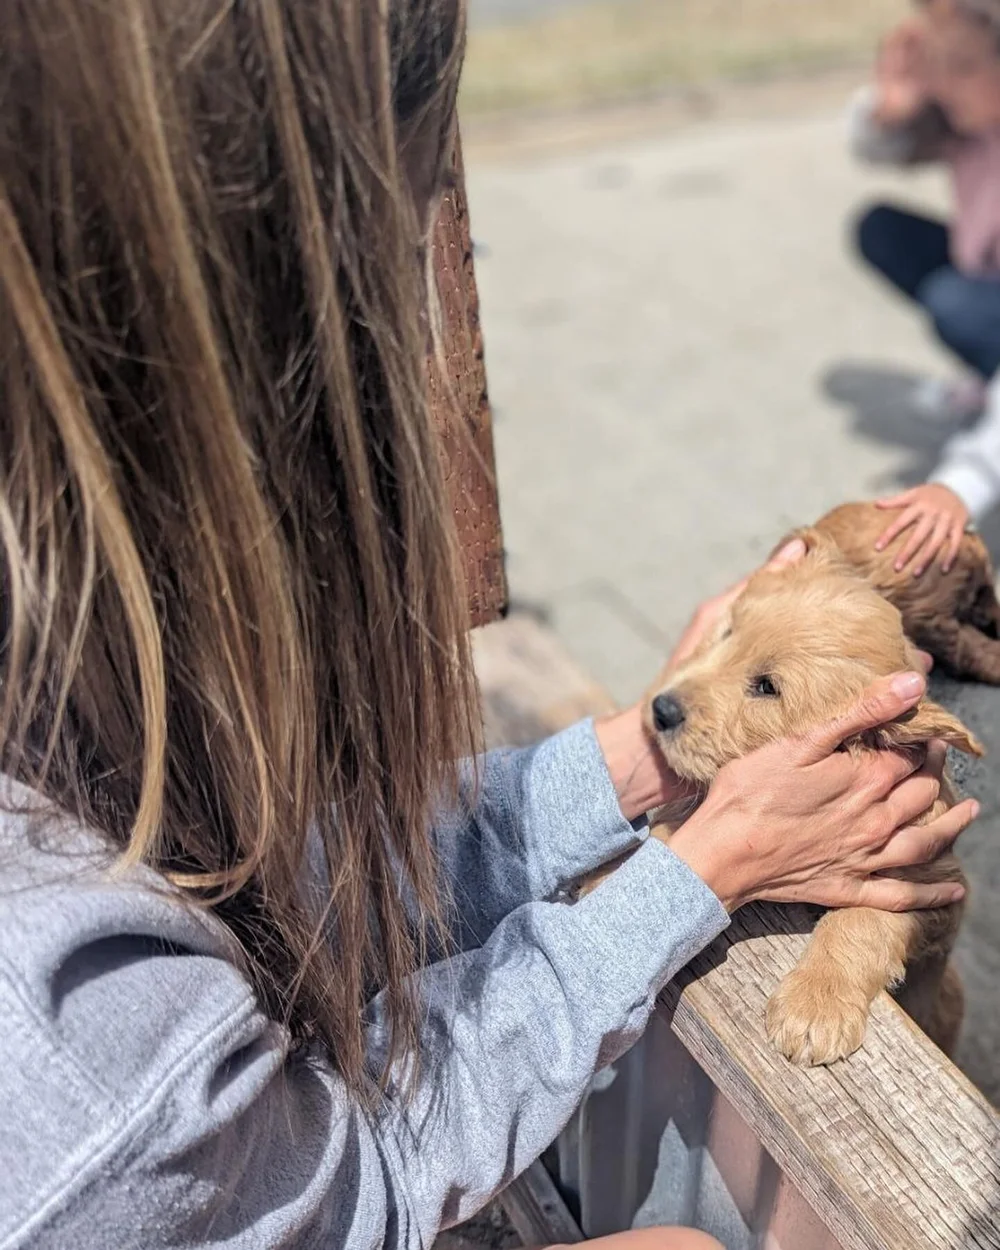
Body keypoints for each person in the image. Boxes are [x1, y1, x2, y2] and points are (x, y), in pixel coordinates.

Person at [0, 4, 976, 1249]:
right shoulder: (57, 1040)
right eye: (400, 275)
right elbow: (340, 1179)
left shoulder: (74, 726)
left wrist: (631, 761)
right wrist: (688, 878)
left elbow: (298, 881)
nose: (434, 359)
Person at [850, 0, 1000, 572]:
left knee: (954, 301)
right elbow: (876, 148)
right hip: (984, 283)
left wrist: (961, 485)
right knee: (881, 229)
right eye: (935, 63)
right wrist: (889, 109)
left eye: (961, 65)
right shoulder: (967, 126)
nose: (941, 82)